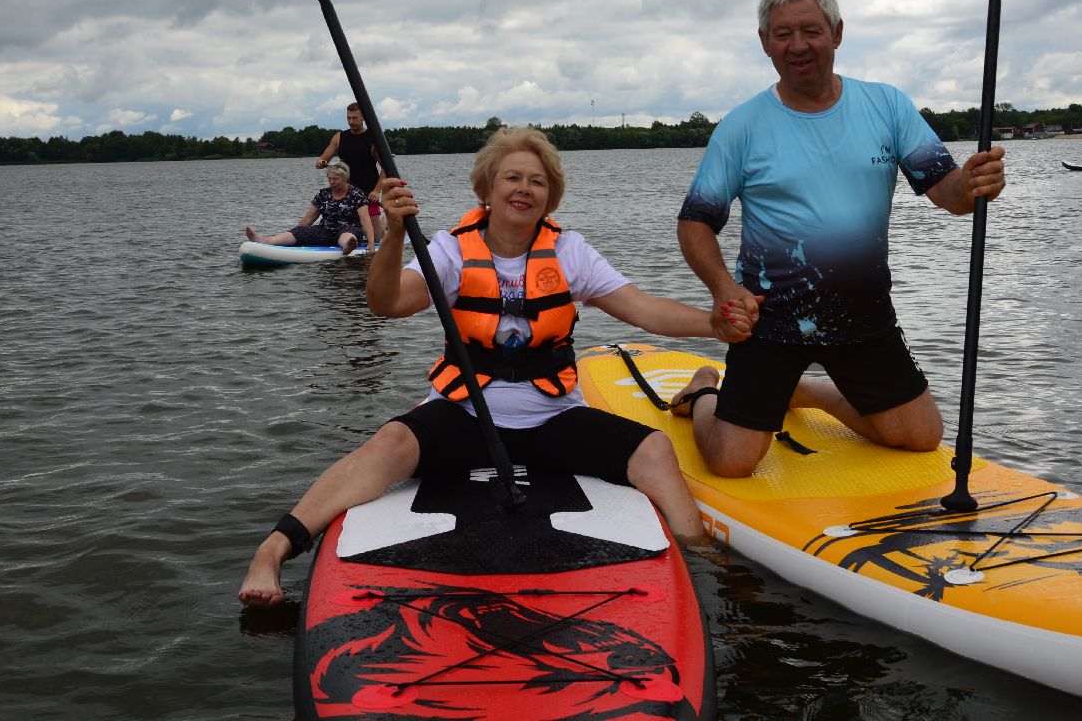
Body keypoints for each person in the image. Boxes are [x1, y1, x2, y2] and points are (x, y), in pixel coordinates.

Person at [239, 127, 753, 607]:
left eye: (538, 181)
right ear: (487, 186)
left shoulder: (570, 252)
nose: (524, 189)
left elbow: (645, 309)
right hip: (465, 413)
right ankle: (274, 550)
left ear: (550, 196)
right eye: (512, 178)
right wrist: (394, 233)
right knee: (390, 445)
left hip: (551, 417)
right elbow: (386, 303)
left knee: (656, 451)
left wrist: (716, 325)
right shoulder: (449, 249)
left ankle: (701, 569)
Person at [671, 0, 1007, 479]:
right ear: (765, 43)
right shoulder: (741, 127)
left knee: (919, 438)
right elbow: (695, 222)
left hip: (862, 315)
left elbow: (949, 194)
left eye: (811, 30)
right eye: (782, 34)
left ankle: (802, 392)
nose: (798, 45)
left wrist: (976, 181)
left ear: (838, 33)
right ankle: (704, 392)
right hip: (771, 319)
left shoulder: (886, 106)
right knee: (730, 462)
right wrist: (724, 287)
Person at [244, 160, 375, 254]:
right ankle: (265, 240)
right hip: (326, 230)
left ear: (345, 178)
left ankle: (348, 246)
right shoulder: (323, 194)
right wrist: (297, 233)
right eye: (330, 178)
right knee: (300, 232)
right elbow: (308, 219)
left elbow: (365, 220)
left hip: (349, 230)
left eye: (336, 179)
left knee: (346, 235)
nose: (332, 182)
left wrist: (371, 243)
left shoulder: (356, 194)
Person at [317, 103, 386, 244]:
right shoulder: (339, 137)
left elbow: (386, 169)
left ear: (363, 118)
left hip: (368, 192)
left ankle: (387, 222)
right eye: (348, 118)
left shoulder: (373, 138)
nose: (351, 122)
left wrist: (376, 190)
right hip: (346, 192)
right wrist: (321, 163)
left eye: (355, 118)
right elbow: (323, 159)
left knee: (377, 237)